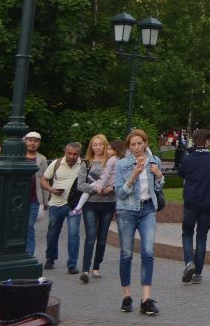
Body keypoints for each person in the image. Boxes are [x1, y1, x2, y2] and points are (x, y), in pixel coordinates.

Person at [114, 129, 164, 316]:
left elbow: (158, 187)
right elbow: (119, 193)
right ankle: (127, 297)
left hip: (148, 209)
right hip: (127, 210)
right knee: (126, 253)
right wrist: (133, 175)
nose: (136, 147)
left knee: (148, 252)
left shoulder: (154, 160)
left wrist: (159, 175)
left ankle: (146, 299)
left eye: (139, 143)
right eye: (132, 144)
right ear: (129, 146)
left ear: (145, 143)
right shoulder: (122, 164)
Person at [178, 128, 210, 285]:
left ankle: (189, 263)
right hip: (208, 205)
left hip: (190, 204)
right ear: (208, 142)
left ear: (194, 141)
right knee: (201, 237)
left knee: (187, 234)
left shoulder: (187, 159)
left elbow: (181, 174)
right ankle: (197, 274)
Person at [77, 134, 118, 283]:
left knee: (102, 238)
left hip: (108, 203)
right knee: (91, 235)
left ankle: (96, 267)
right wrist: (96, 189)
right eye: (95, 145)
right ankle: (85, 269)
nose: (98, 147)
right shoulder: (86, 163)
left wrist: (111, 188)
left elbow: (120, 181)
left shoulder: (112, 162)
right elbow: (80, 185)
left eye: (101, 144)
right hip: (91, 203)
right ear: (91, 147)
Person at [42, 141, 86, 273]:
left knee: (73, 234)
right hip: (56, 203)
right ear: (64, 152)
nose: (72, 156)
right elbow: (43, 180)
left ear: (79, 154)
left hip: (74, 205)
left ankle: (72, 264)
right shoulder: (56, 164)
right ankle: (51, 258)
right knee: (52, 233)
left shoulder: (83, 164)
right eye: (69, 153)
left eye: (75, 154)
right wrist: (51, 190)